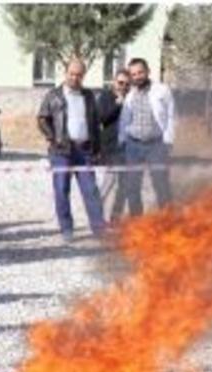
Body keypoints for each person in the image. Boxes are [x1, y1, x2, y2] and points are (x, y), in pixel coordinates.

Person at [37, 58, 106, 242]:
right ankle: (67, 229)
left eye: (79, 75)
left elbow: (94, 124)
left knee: (91, 190)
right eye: (72, 74)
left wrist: (97, 149)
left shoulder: (89, 96)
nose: (75, 78)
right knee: (61, 189)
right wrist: (53, 138)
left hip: (84, 151)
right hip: (61, 152)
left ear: (83, 75)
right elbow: (42, 119)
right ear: (65, 73)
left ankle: (99, 229)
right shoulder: (53, 95)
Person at [118, 57, 176, 211]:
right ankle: (137, 223)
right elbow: (124, 120)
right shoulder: (130, 94)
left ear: (148, 71)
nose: (137, 76)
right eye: (134, 74)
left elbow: (171, 116)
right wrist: (122, 140)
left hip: (156, 145)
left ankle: (168, 221)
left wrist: (168, 140)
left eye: (140, 72)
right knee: (132, 187)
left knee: (161, 184)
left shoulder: (162, 90)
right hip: (133, 145)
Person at [97, 69, 135, 221]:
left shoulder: (131, 98)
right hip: (111, 148)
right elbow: (101, 118)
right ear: (114, 82)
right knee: (108, 183)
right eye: (120, 83)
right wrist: (117, 105)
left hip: (127, 148)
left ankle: (115, 218)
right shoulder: (106, 96)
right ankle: (96, 217)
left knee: (124, 186)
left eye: (127, 84)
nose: (123, 87)